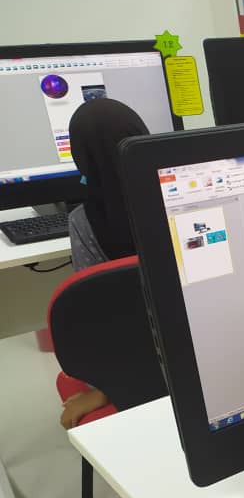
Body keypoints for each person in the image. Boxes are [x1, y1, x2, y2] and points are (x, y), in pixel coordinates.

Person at [59, 98, 150, 429]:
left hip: (137, 366)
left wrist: (104, 390)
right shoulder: (182, 196)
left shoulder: (84, 222)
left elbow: (96, 316)